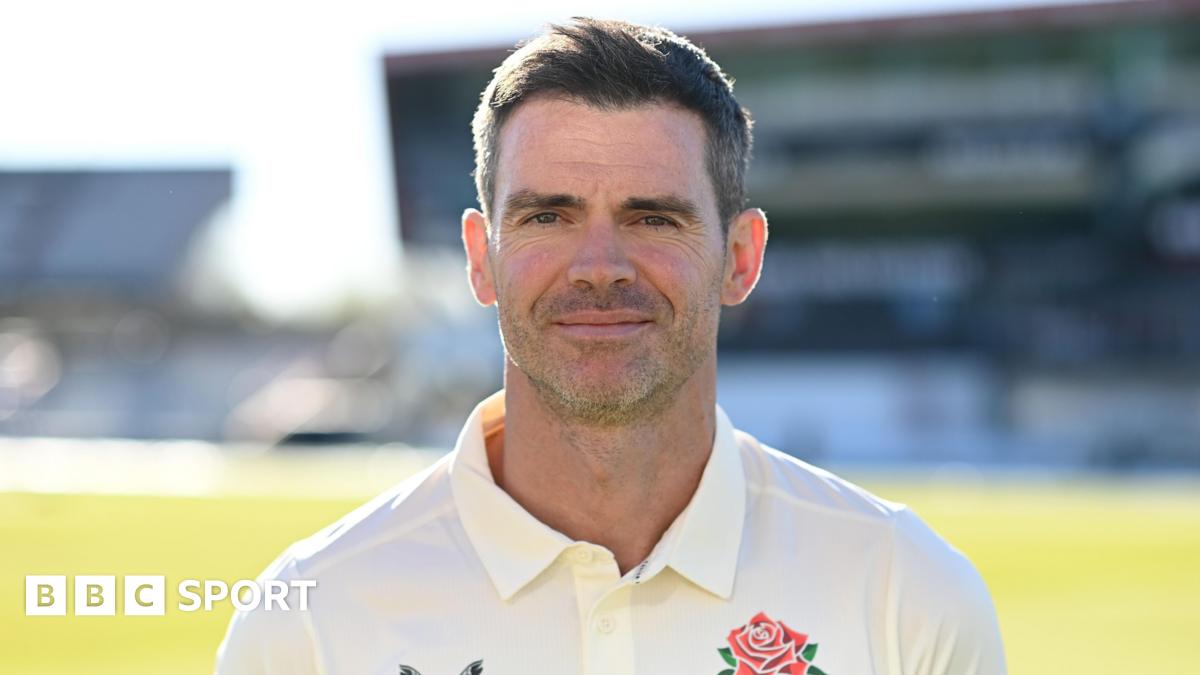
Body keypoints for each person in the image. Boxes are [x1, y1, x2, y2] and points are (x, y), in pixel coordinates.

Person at [216, 18, 1005, 675]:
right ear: (480, 258)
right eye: (547, 217)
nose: (599, 266)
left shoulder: (904, 592)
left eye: (653, 217)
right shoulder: (310, 622)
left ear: (741, 258)